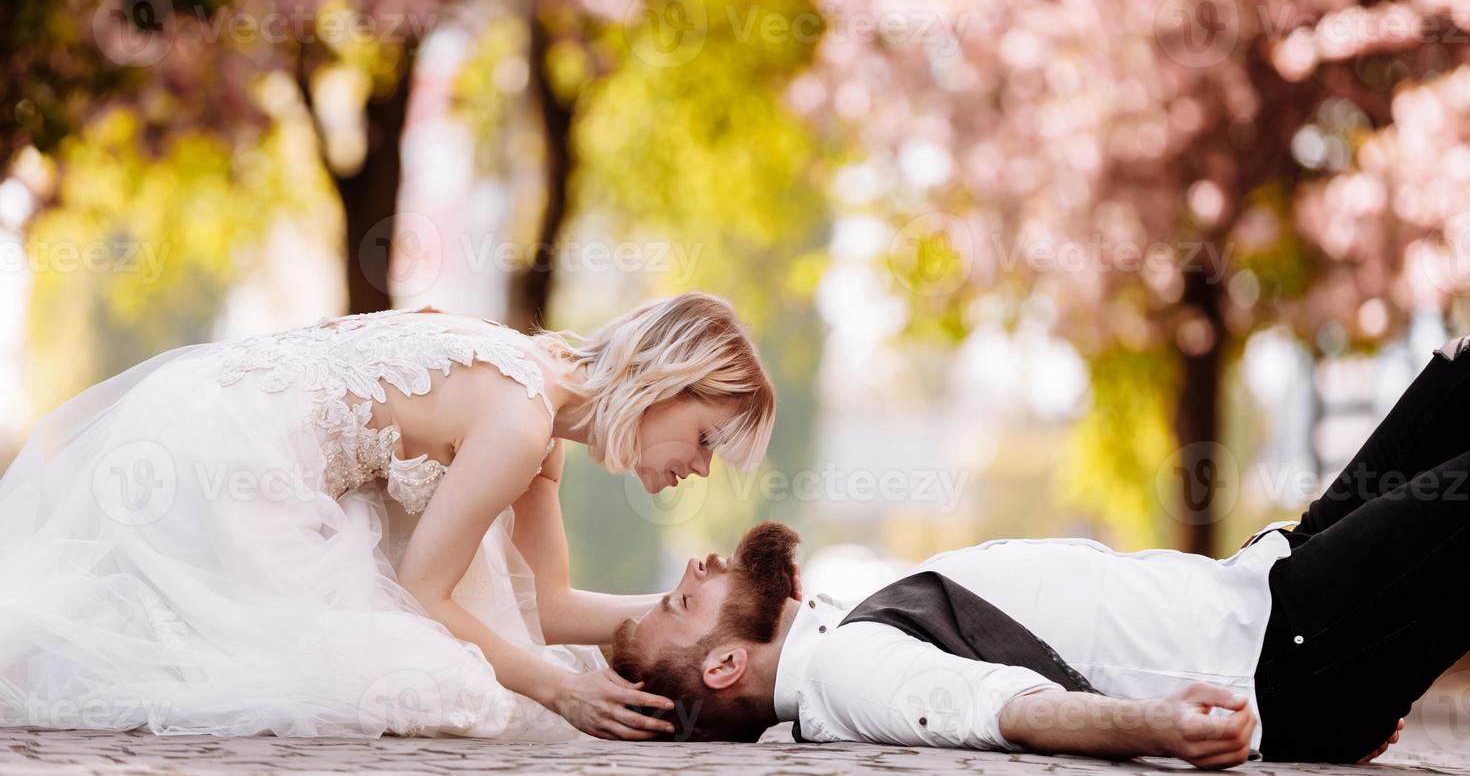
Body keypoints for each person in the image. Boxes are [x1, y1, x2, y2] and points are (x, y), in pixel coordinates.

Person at [611, 334, 1470, 766]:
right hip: (1287, 651)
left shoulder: (842, 632)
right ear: (725, 668)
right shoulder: (848, 671)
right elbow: (1001, 708)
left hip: (1271, 580)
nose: (692, 569)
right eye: (683, 603)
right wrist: (1165, 728)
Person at [0, 293, 775, 742]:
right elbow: (423, 594)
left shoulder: (534, 408)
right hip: (228, 459)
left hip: (196, 407)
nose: (699, 467)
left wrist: (706, 617)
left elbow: (547, 606)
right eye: (705, 437)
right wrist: (557, 691)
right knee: (429, 685)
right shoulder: (519, 423)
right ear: (666, 381)